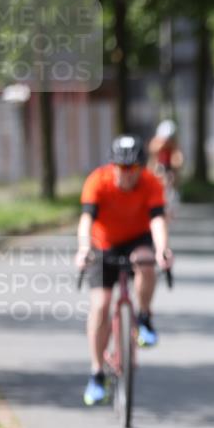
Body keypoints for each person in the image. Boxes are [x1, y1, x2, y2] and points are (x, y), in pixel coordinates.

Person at [74, 136, 173, 406]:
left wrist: (163, 248)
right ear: (113, 165)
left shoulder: (151, 182)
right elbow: (86, 220)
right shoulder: (98, 181)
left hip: (137, 238)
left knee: (146, 260)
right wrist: (84, 248)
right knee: (101, 305)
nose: (127, 174)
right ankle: (96, 373)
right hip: (103, 243)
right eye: (121, 167)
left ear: (141, 167)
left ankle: (143, 317)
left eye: (133, 168)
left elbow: (157, 221)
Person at [148, 119, 183, 217]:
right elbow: (152, 163)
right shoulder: (156, 145)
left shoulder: (174, 148)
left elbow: (178, 162)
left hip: (169, 176)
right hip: (159, 174)